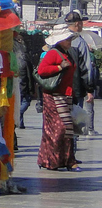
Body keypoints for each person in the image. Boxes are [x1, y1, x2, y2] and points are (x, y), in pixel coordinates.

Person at [36, 25, 81, 172]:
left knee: (67, 129)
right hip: (53, 96)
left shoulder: (69, 53)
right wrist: (59, 67)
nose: (69, 41)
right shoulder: (53, 53)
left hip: (66, 95)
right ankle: (54, 161)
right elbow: (42, 70)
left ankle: (66, 161)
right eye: (67, 39)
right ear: (60, 40)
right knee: (59, 129)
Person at [65, 10, 97, 135]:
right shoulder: (80, 42)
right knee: (75, 122)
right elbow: (87, 68)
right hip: (76, 88)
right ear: (78, 24)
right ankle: (71, 150)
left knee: (63, 120)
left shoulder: (58, 41)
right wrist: (89, 89)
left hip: (60, 88)